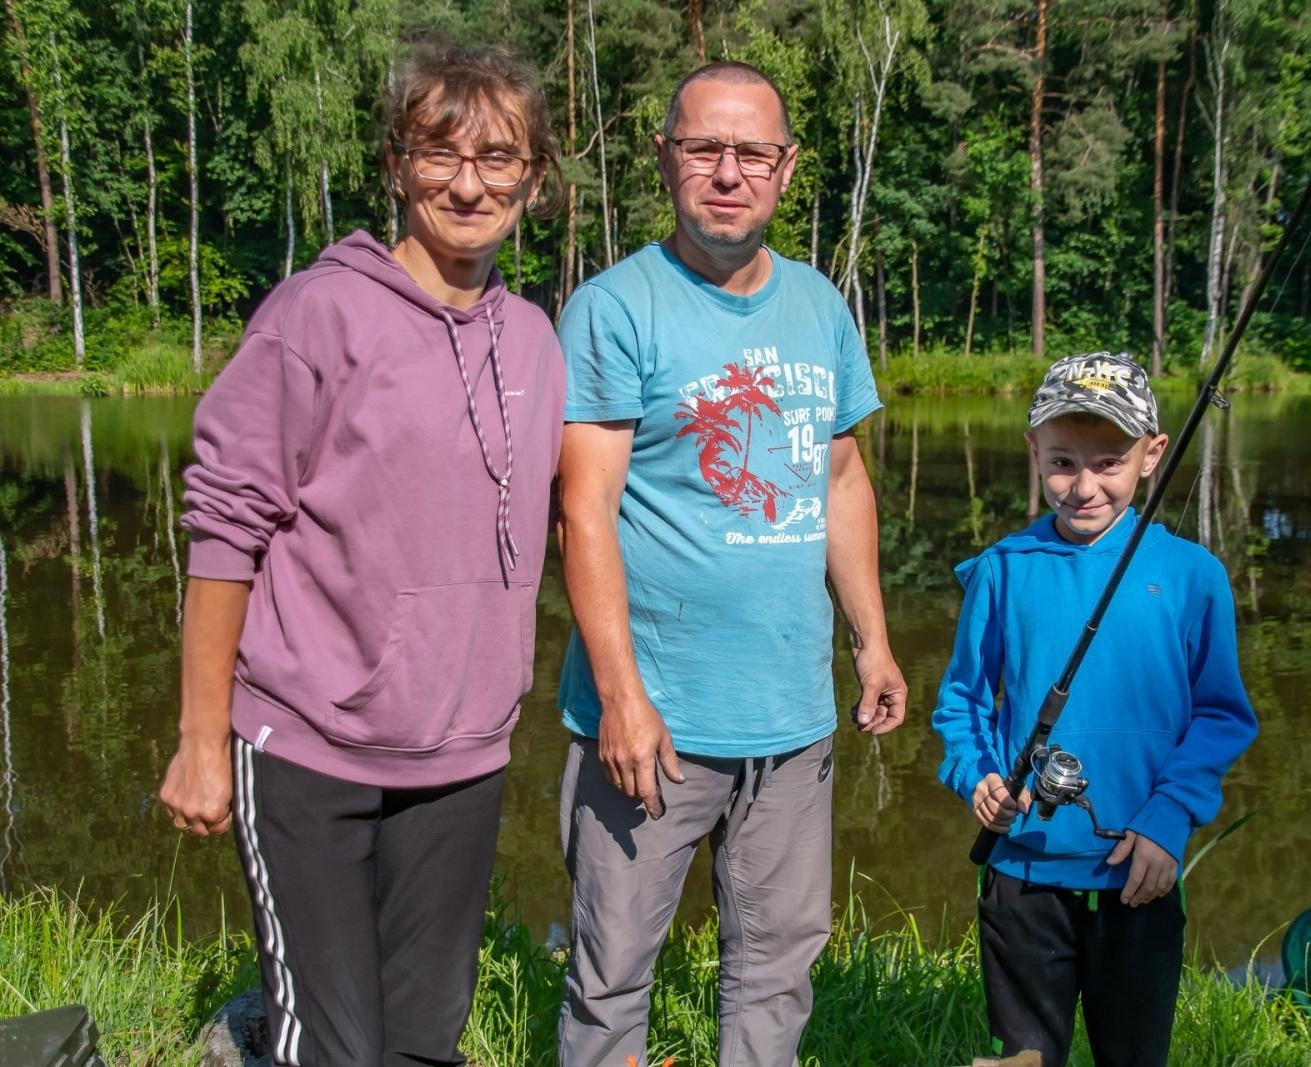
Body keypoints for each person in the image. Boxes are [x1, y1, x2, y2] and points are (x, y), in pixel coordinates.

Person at [156, 41, 564, 1067]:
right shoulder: (316, 315)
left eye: (498, 158)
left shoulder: (533, 339)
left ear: (534, 178)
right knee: (330, 1048)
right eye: (439, 153)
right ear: (394, 165)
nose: (468, 183)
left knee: (423, 1040)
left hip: (463, 751)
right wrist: (203, 739)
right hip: (305, 747)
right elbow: (224, 526)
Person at [554, 60, 907, 1067]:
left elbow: (840, 479)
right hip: (651, 722)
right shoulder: (614, 308)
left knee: (777, 965)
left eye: (751, 151)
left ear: (786, 169)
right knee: (612, 967)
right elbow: (584, 510)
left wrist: (872, 640)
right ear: (667, 159)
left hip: (790, 719)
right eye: (704, 147)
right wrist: (621, 696)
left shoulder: (819, 306)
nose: (727, 172)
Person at [931, 351, 1258, 1067]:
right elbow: (961, 701)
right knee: (1022, 1058)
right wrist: (978, 775)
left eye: (1109, 461)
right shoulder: (1003, 569)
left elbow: (1221, 716)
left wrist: (1169, 818)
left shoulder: (1193, 576)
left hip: (1138, 872)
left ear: (1152, 455)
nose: (1083, 486)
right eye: (1063, 462)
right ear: (1033, 452)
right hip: (1022, 877)